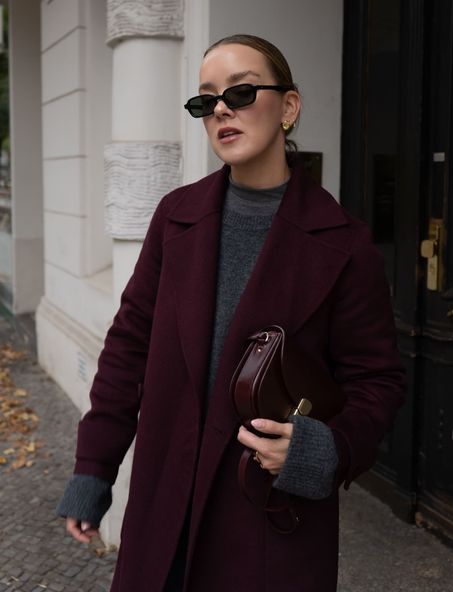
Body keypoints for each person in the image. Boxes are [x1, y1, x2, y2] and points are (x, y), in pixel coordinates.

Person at [56, 34, 406, 592]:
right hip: (164, 501)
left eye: (241, 92)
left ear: (288, 107)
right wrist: (94, 469)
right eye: (205, 100)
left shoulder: (345, 245)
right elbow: (128, 348)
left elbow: (378, 382)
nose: (221, 108)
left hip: (266, 519)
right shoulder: (176, 218)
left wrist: (324, 448)